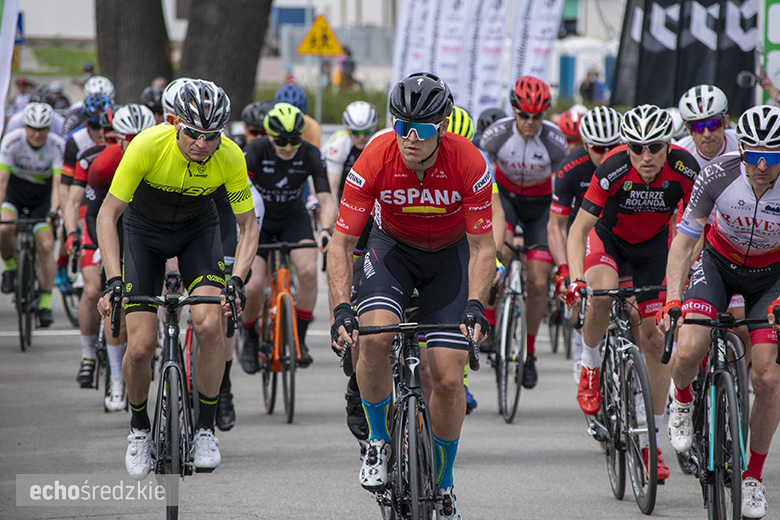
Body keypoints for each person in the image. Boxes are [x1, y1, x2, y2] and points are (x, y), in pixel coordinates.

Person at [328, 72, 495, 520]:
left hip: (449, 258)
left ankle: (444, 484)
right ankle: (379, 442)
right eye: (402, 126)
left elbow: (482, 248)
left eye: (422, 129)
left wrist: (476, 304)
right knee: (376, 337)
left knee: (446, 374)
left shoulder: (470, 162)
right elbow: (341, 244)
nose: (411, 138)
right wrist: (341, 309)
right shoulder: (375, 157)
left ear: (442, 128)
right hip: (392, 252)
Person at [96, 80, 259, 478]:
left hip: (196, 231)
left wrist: (236, 280)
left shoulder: (231, 156)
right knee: (139, 346)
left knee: (208, 325)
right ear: (174, 123)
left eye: (213, 136)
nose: (203, 144)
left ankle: (205, 428)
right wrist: (113, 280)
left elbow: (247, 226)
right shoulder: (148, 146)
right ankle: (138, 430)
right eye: (193, 134)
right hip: (143, 234)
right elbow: (107, 216)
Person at [658, 105, 780, 519]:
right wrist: (672, 299)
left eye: (774, 156)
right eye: (754, 154)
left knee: (767, 376)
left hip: (771, 279)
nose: (762, 165)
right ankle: (683, 397)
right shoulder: (717, 174)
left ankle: (753, 478)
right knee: (689, 347)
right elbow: (683, 240)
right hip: (717, 265)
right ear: (741, 148)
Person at [565, 104, 699, 484]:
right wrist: (577, 279)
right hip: (609, 244)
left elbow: (702, 224)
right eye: (637, 147)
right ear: (627, 147)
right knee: (603, 296)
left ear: (668, 145)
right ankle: (591, 366)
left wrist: (686, 275)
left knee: (655, 342)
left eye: (654, 147)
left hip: (653, 251)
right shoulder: (613, 168)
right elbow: (578, 230)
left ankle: (651, 443)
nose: (645, 156)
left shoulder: (685, 168)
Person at [479, 75, 568, 389]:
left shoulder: (555, 141)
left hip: (540, 206)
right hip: (505, 200)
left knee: (539, 279)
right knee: (496, 255)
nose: (530, 122)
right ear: (513, 110)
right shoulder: (496, 134)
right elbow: (480, 180)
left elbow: (564, 189)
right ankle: (489, 328)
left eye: (537, 116)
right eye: (524, 115)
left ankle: (529, 352)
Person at [65, 104, 155, 406]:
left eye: (140, 136)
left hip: (143, 231)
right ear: (118, 138)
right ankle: (114, 375)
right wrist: (103, 250)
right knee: (104, 295)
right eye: (128, 138)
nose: (134, 143)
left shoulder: (158, 157)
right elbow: (94, 214)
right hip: (107, 229)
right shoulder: (101, 164)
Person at [240, 103, 336, 372]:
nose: (288, 146)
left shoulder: (310, 153)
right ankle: (249, 337)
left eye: (294, 139)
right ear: (269, 135)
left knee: (307, 273)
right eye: (281, 140)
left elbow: (327, 198)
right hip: (260, 220)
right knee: (253, 286)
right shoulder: (256, 150)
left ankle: (300, 338)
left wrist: (327, 229)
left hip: (294, 219)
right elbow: (238, 193)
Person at [547, 106, 622, 382]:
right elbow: (556, 226)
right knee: (585, 290)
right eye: (598, 148)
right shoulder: (569, 169)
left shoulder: (633, 161)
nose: (605, 154)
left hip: (620, 232)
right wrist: (566, 270)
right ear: (585, 144)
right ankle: (582, 350)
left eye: (613, 146)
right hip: (585, 230)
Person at [0, 103, 64, 326]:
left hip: (42, 198)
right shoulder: (12, 141)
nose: (37, 134)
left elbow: (58, 185)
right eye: (32, 129)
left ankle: (45, 302)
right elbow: (2, 181)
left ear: (49, 129)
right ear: (24, 126)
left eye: (43, 129)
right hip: (14, 193)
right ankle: (10, 267)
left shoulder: (57, 146)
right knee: (5, 227)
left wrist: (55, 211)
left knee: (46, 245)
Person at [324, 101, 379, 198]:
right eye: (355, 132)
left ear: (374, 128)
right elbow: (332, 189)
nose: (361, 137)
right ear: (347, 129)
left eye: (366, 132)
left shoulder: (381, 142)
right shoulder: (339, 144)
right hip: (346, 195)